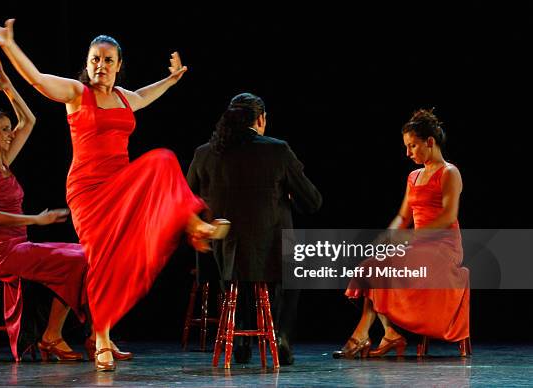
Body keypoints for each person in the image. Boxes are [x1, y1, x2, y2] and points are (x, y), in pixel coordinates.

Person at [0, 19, 228, 371]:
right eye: (95, 59)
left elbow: (144, 95)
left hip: (120, 185)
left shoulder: (125, 98)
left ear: (119, 66)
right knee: (101, 259)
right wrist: (8, 45)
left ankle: (193, 224)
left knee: (162, 160)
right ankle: (103, 340)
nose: (101, 66)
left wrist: (171, 80)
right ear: (87, 62)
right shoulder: (78, 94)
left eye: (108, 61)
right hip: (88, 191)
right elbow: (37, 79)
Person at [0, 59, 88, 361]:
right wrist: (38, 219)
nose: (10, 133)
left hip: (17, 246)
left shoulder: (3, 162)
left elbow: (29, 120)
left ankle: (71, 335)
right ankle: (52, 336)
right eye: (4, 130)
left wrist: (8, 87)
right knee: (78, 261)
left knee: (87, 253)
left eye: (9, 129)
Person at [187, 93, 322, 365]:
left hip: (222, 257)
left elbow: (186, 200)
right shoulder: (278, 150)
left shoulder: (204, 153)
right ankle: (280, 335)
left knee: (240, 269)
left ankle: (240, 338)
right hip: (272, 255)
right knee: (293, 266)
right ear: (261, 119)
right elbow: (313, 202)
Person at [333, 108, 470, 358]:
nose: (408, 153)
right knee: (373, 265)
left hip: (443, 248)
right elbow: (403, 216)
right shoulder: (413, 176)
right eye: (406, 147)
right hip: (418, 246)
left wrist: (410, 238)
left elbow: (448, 216)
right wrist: (387, 236)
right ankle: (386, 333)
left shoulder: (449, 172)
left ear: (430, 142)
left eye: (413, 146)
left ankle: (365, 335)